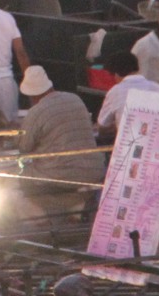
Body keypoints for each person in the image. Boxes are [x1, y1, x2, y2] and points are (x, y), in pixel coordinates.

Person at [16, 66, 104, 211]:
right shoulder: (75, 99)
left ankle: (43, 218)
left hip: (60, 175)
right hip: (93, 170)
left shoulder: (36, 112)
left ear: (31, 95)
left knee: (22, 177)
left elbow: (24, 146)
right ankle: (76, 210)